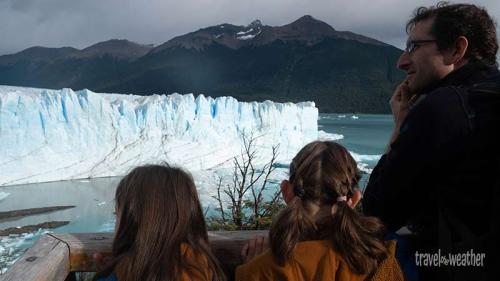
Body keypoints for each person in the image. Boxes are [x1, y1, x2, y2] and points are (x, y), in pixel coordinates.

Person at [363, 2, 500, 280]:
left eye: (415, 47)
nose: (402, 62)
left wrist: (399, 127)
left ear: (456, 50)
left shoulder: (444, 108)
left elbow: (378, 210)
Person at [236, 141, 405, 281]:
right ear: (353, 199)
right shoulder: (378, 262)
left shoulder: (260, 271)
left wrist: (253, 267)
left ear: (286, 190)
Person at [94, 164, 225, 281]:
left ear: (133, 223)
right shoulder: (206, 269)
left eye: (117, 215)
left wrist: (112, 273)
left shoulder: (120, 275)